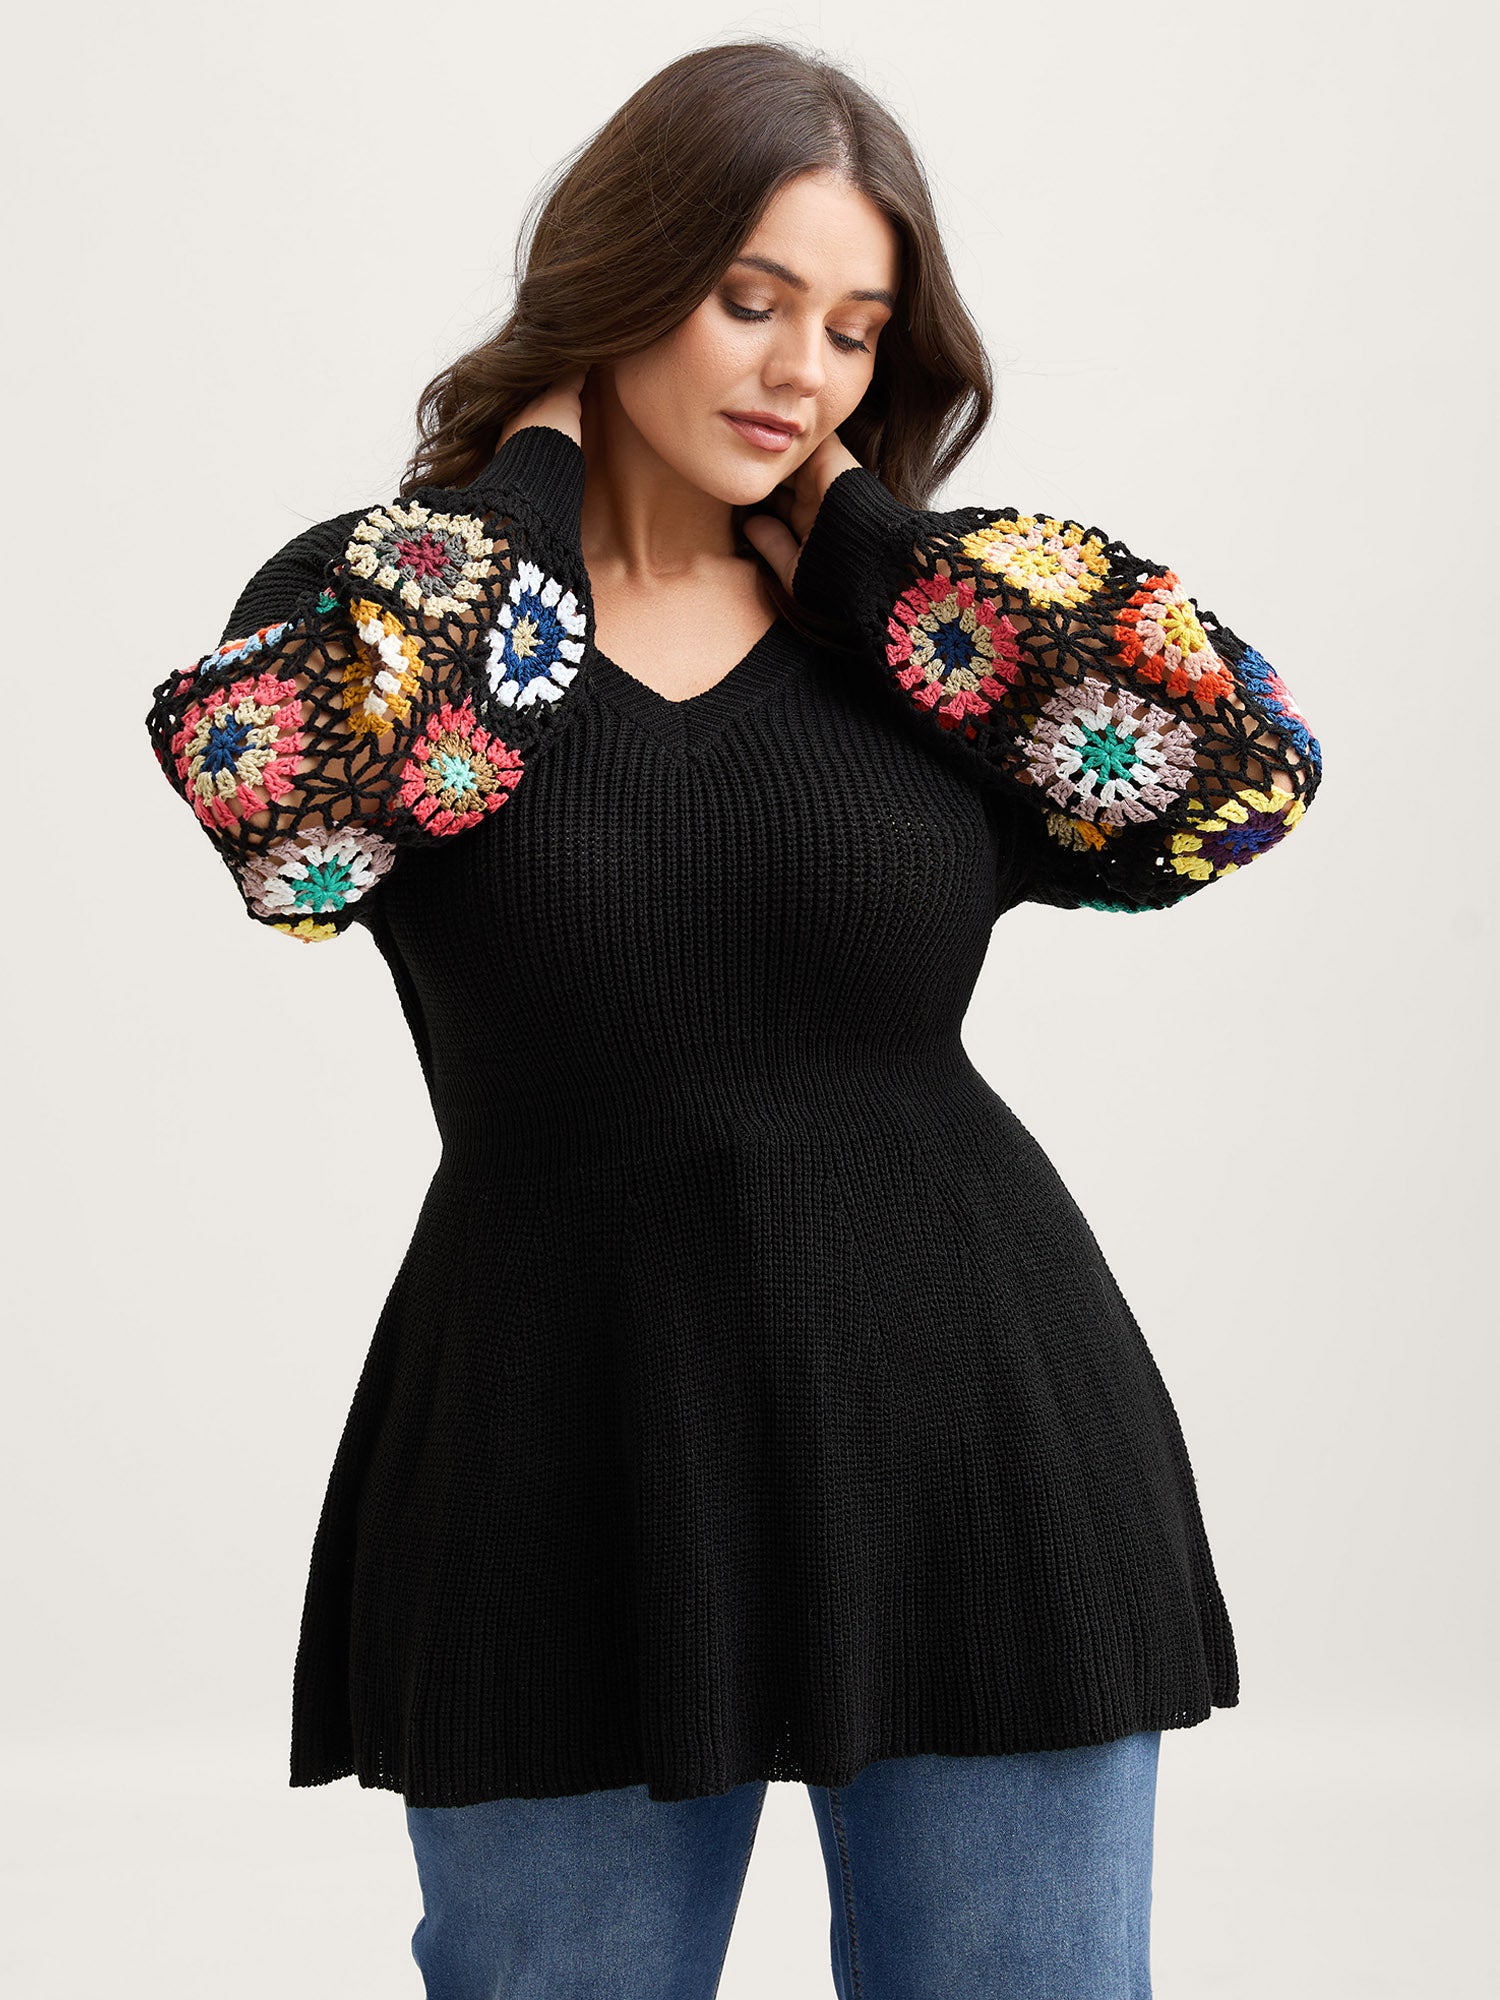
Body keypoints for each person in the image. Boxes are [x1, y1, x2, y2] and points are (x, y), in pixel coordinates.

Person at [142, 37, 1321, 2000]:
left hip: (980, 1444)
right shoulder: (406, 607)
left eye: (855, 332)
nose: (803, 374)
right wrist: (533, 487)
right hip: (555, 1449)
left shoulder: (930, 637)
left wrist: (875, 555)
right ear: (620, 281)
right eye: (749, 301)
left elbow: (1235, 776)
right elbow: (290, 823)